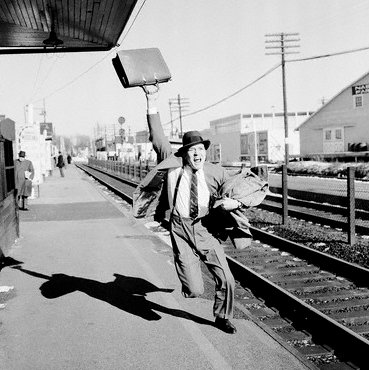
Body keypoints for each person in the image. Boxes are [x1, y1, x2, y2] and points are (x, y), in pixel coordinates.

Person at [133, 86, 253, 334]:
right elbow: (157, 137)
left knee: (227, 278)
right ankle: (190, 276)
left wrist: (236, 202)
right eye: (192, 150)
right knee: (195, 290)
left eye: (201, 150)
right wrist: (151, 99)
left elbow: (241, 187)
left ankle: (223, 317)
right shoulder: (173, 164)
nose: (197, 154)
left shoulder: (215, 171)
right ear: (184, 153)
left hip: (205, 228)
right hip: (180, 228)